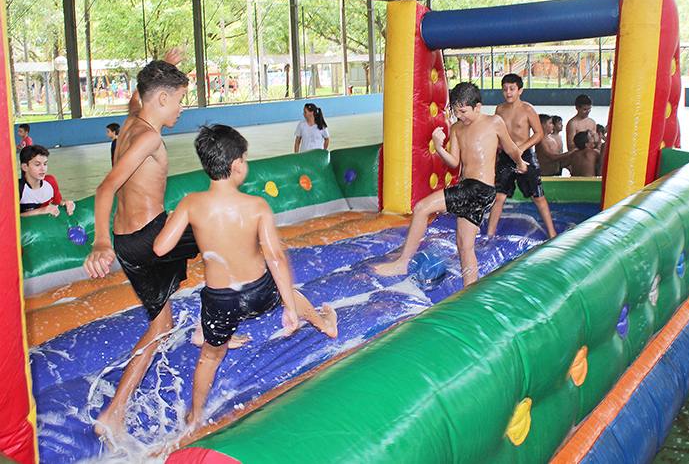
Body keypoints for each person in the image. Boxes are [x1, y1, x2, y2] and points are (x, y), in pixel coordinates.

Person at [153, 124, 338, 430]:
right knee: (287, 291)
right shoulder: (256, 206)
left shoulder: (191, 204)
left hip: (220, 300)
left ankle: (194, 414)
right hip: (259, 292)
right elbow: (276, 258)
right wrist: (290, 309)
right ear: (237, 164)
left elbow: (161, 248)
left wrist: (195, 231)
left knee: (210, 357)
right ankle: (323, 323)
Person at [83, 48, 201, 442]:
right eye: (180, 99)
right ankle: (217, 326)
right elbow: (105, 187)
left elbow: (140, 94)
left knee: (162, 325)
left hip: (129, 243)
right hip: (152, 238)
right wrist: (99, 242)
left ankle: (114, 412)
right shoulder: (148, 137)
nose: (183, 108)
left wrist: (161, 66)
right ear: (162, 98)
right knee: (220, 224)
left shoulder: (134, 117)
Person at [373, 83, 526, 286]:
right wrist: (438, 146)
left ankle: (402, 262)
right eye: (455, 111)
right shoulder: (456, 128)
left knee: (421, 208)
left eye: (463, 111)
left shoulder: (493, 122)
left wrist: (520, 163)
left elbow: (510, 148)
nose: (459, 115)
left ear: (478, 107)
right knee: (464, 245)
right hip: (471, 189)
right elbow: (454, 162)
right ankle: (470, 290)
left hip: (479, 187)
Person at [486, 74, 557, 239]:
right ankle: (490, 235)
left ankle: (552, 233)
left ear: (520, 90)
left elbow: (539, 133)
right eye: (505, 89)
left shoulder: (527, 109)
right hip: (506, 157)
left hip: (525, 155)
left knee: (537, 196)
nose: (508, 93)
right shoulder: (500, 109)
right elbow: (497, 133)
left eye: (512, 89)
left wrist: (522, 147)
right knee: (499, 196)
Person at [18, 144, 75, 217]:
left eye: (45, 164)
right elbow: (9, 219)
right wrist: (39, 211)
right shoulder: (17, 189)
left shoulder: (50, 181)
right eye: (37, 164)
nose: (43, 169)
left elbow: (56, 204)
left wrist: (64, 203)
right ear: (25, 167)